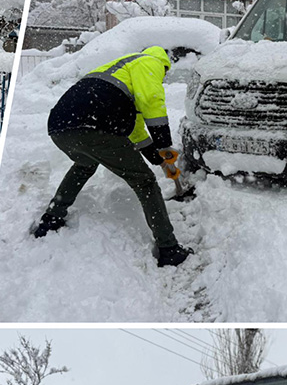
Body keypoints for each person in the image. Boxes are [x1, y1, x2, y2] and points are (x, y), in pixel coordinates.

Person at [32, 45, 190, 268]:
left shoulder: (118, 70)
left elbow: (136, 131)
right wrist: (164, 145)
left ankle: (51, 218)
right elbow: (152, 100)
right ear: (164, 65)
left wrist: (158, 158)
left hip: (60, 127)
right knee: (144, 181)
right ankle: (169, 248)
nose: (162, 80)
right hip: (96, 125)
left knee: (84, 165)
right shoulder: (150, 62)